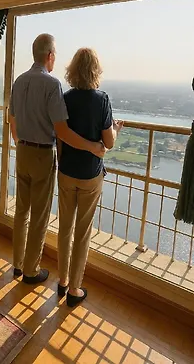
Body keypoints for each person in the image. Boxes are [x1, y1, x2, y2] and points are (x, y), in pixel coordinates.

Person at [9, 34, 106, 285]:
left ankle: (17, 264)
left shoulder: (19, 81)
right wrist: (93, 147)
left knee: (21, 211)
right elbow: (62, 131)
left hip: (22, 150)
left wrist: (19, 141)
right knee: (39, 215)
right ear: (50, 55)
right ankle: (31, 271)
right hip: (42, 153)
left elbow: (12, 118)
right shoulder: (52, 85)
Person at [57, 48, 123, 306]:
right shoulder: (101, 100)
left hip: (66, 172)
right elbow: (109, 142)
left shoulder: (65, 98)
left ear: (72, 70)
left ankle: (62, 281)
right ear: (95, 70)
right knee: (82, 232)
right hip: (90, 175)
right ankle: (74, 289)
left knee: (64, 228)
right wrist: (115, 129)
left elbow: (61, 134)